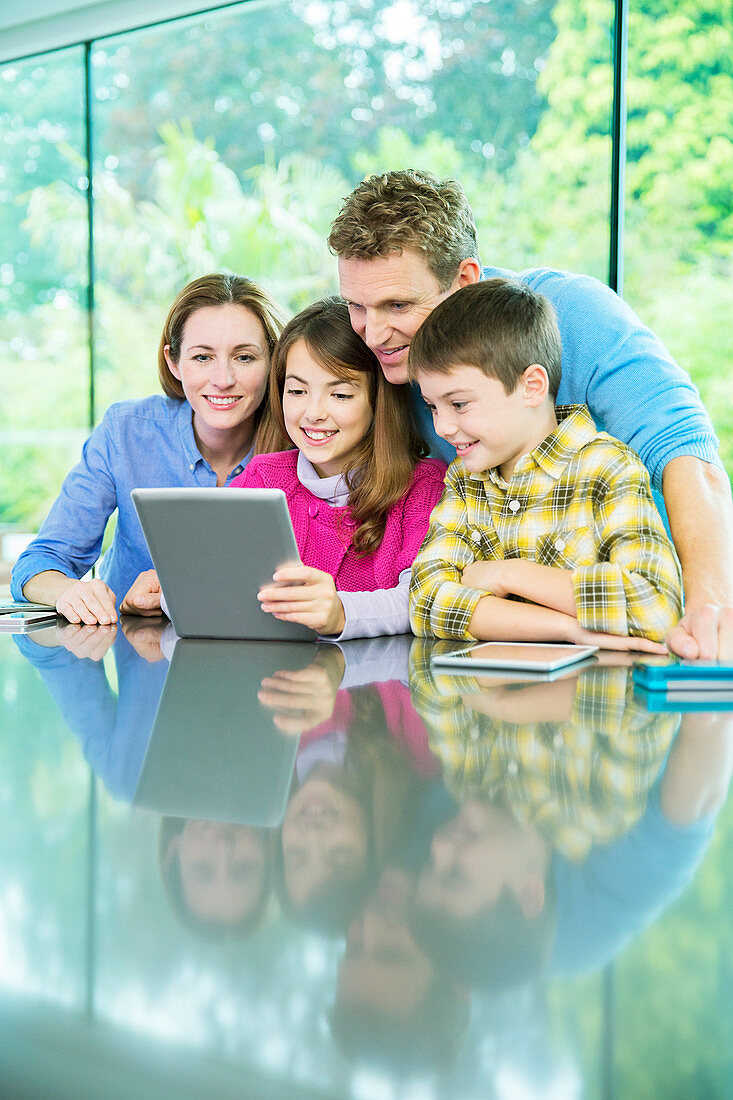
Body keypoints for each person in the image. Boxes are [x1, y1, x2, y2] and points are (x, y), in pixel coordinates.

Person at [328, 169, 733, 658]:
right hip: (514, 636)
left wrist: (711, 601)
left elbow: (682, 447)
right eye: (356, 305)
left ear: (464, 279)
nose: (372, 333)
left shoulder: (572, 315)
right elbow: (429, 592)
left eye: (397, 304)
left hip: (650, 619)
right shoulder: (395, 373)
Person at [408, 279, 682, 646]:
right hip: (491, 697)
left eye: (458, 404)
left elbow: (655, 607)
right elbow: (425, 603)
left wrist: (509, 576)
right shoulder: (464, 480)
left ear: (532, 387)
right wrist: (569, 628)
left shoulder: (607, 467)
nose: (442, 427)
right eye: (432, 406)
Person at [10, 273, 283, 626]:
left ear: (272, 361)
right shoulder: (126, 432)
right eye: (202, 357)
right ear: (174, 361)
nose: (223, 379)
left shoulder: (301, 443)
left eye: (244, 358)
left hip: (262, 662)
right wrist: (67, 591)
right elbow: (40, 561)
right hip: (138, 659)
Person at [231, 297, 447, 638]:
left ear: (377, 400)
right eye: (298, 390)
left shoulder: (422, 486)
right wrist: (165, 590)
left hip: (378, 684)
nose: (313, 412)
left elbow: (421, 598)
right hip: (274, 681)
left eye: (341, 395)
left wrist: (342, 613)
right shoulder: (262, 478)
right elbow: (210, 583)